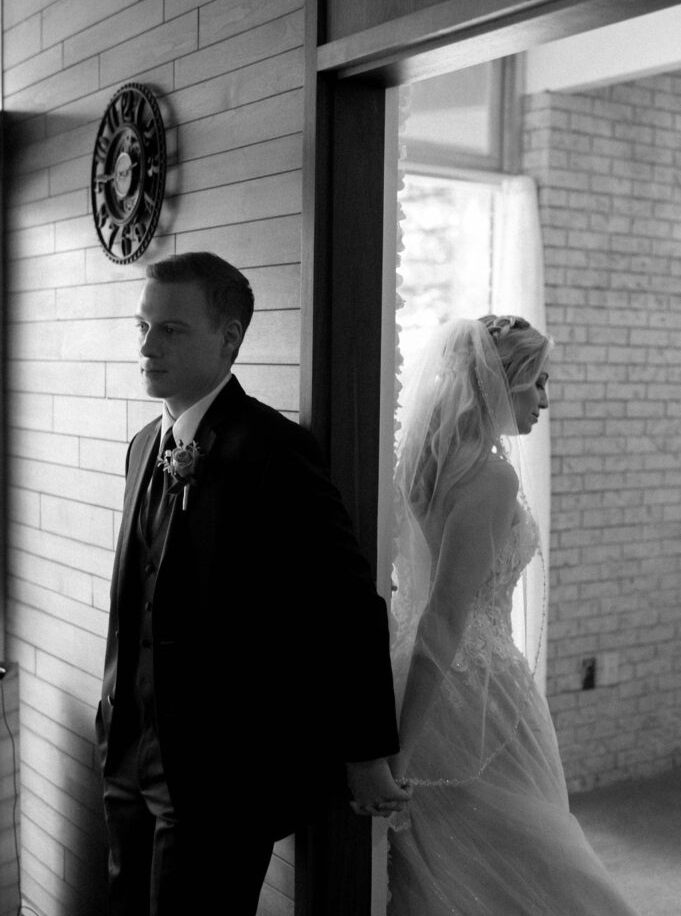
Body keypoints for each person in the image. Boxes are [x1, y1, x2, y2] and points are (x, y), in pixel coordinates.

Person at [95, 251, 410, 916]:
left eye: (171, 330)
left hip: (220, 780)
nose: (148, 346)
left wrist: (364, 751)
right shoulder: (139, 448)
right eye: (143, 327)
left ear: (229, 338)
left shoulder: (274, 451)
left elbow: (345, 606)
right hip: (127, 760)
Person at [387, 315, 638, 915]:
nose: (545, 401)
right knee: (530, 861)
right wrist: (400, 750)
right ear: (505, 384)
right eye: (539, 383)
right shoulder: (490, 476)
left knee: (451, 856)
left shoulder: (419, 461)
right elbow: (446, 619)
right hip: (473, 694)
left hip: (410, 674)